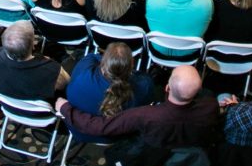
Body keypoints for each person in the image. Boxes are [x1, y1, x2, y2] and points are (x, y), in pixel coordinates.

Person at [57, 65, 218, 154]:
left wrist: (65, 108)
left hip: (152, 153)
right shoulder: (212, 106)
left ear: (167, 88)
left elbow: (100, 126)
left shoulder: (144, 114)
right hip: (189, 150)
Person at [64, 43, 156, 141]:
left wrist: (111, 62)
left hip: (77, 130)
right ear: (132, 65)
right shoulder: (143, 87)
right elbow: (144, 79)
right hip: (117, 138)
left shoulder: (83, 72)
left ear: (104, 61)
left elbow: (92, 56)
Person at [0, 21, 69, 101]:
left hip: (9, 108)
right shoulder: (51, 70)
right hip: (38, 114)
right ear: (33, 45)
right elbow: (66, 84)